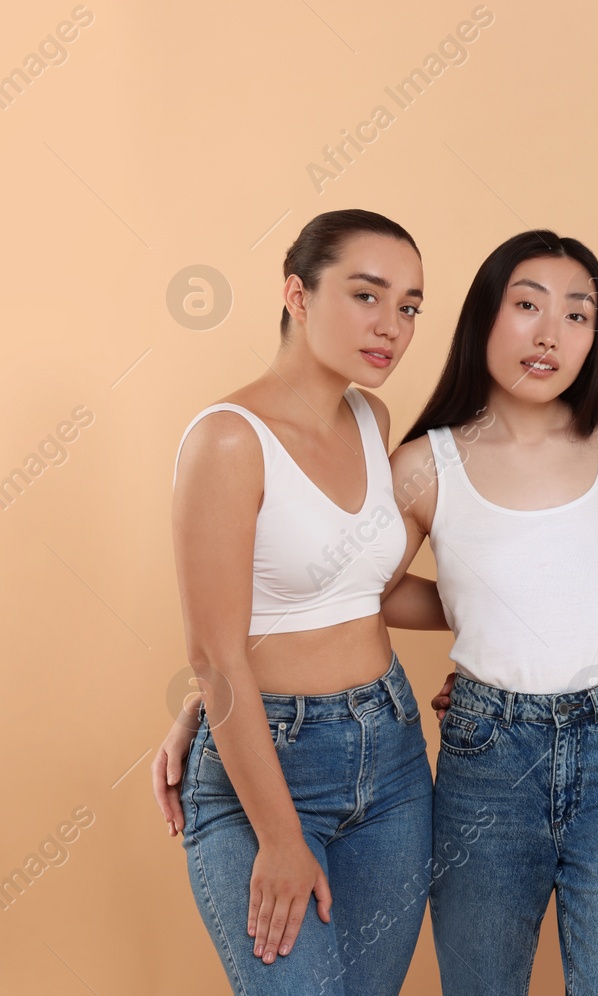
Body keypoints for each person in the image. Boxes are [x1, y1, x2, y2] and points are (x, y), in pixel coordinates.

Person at [386, 230, 598, 994]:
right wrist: (487, 617)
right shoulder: (424, 464)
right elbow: (366, 593)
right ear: (484, 317)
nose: (551, 334)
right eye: (526, 306)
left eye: (578, 315)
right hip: (487, 753)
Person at [156, 209, 432, 995]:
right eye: (366, 295)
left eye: (409, 306)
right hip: (269, 774)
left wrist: (508, 613)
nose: (392, 326)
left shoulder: (369, 417)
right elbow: (214, 651)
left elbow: (361, 592)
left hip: (393, 756)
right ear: (298, 295)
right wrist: (278, 837)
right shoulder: (228, 439)